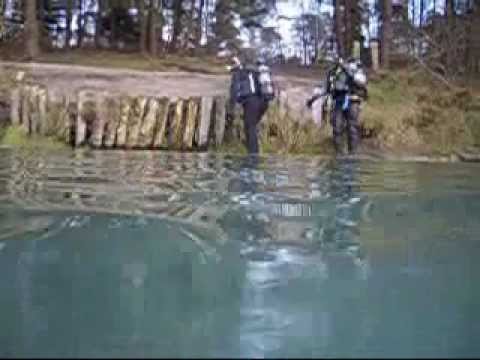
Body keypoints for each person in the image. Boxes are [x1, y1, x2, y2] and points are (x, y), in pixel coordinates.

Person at [307, 57, 368, 155]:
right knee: (337, 127)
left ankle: (353, 153)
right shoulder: (332, 73)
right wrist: (313, 99)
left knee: (352, 127)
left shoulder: (354, 69)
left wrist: (346, 68)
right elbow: (326, 89)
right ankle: (339, 153)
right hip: (339, 101)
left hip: (352, 101)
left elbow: (360, 82)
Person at [227, 56, 274, 155]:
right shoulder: (254, 71)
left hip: (251, 101)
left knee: (250, 127)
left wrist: (231, 107)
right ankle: (252, 148)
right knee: (251, 125)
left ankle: (253, 154)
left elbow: (234, 91)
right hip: (264, 101)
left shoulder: (238, 73)